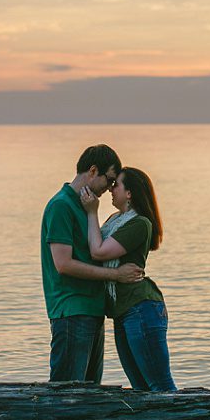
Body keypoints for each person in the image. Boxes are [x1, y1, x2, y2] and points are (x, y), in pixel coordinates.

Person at [41, 145, 145, 383]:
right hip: (71, 310)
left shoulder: (86, 207)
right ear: (93, 170)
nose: (110, 188)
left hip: (92, 310)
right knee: (66, 396)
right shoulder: (61, 206)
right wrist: (115, 275)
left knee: (89, 395)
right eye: (108, 180)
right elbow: (63, 264)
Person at [80, 167, 176, 391]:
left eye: (117, 185)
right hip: (123, 311)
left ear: (130, 193)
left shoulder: (139, 224)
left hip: (141, 308)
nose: (111, 189)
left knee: (160, 386)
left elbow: (99, 252)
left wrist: (91, 213)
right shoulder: (115, 220)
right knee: (140, 388)